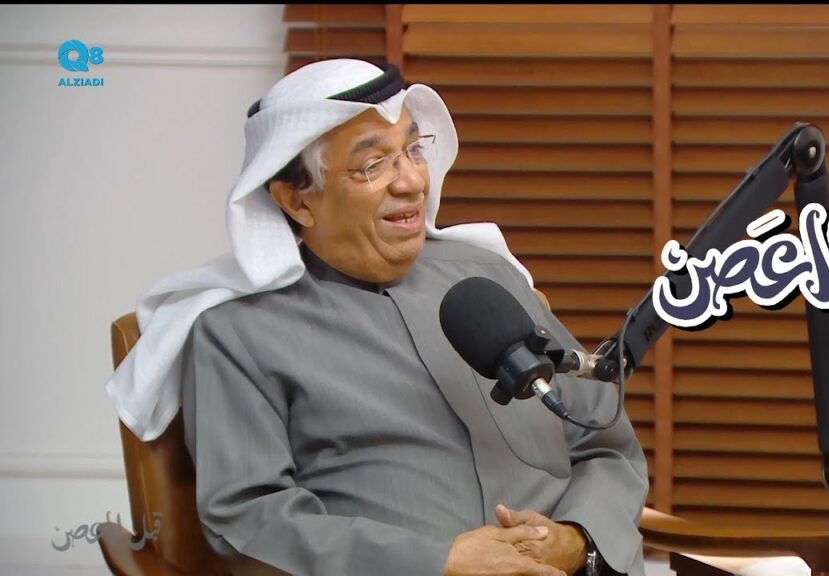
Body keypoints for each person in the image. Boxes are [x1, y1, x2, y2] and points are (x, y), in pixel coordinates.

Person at [111, 58, 648, 576]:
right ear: (297, 201)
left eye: (413, 150)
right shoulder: (241, 330)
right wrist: (436, 563)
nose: (411, 181)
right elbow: (250, 517)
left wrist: (576, 540)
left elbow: (605, 445)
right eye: (373, 164)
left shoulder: (487, 278)